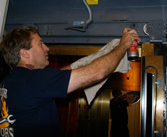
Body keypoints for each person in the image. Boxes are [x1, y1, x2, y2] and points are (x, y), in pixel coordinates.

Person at [0, 26, 140, 137]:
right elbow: (98, 73)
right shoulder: (33, 80)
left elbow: (61, 75)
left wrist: (95, 57)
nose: (46, 48)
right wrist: (122, 45)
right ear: (25, 53)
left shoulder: (9, 82)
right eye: (40, 44)